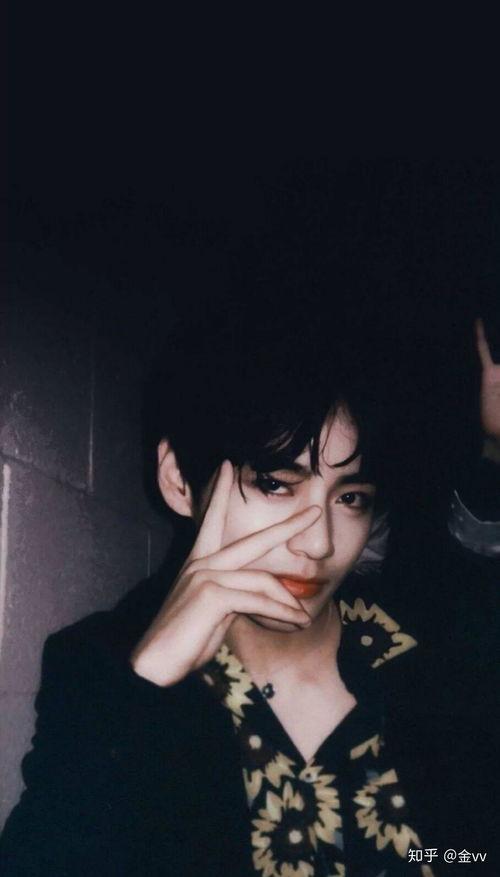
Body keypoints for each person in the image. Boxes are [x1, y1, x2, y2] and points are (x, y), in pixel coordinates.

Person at [0, 304, 497, 876]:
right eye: (277, 485)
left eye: (350, 498)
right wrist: (144, 687)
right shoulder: (99, 670)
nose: (319, 543)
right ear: (179, 481)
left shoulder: (426, 649)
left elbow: (476, 853)